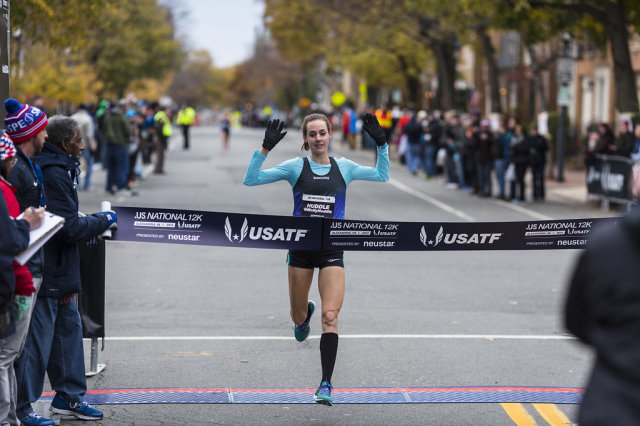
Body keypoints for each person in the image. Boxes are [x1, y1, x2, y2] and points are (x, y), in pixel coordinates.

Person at [243, 113, 390, 406]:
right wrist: (264, 149)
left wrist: (382, 145)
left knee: (331, 316)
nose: (318, 138)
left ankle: (326, 384)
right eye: (312, 134)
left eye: (322, 133)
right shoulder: (296, 167)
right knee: (298, 319)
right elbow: (251, 179)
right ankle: (303, 316)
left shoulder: (344, 167)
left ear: (330, 134)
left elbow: (382, 175)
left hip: (332, 248)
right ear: (306, 139)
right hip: (300, 249)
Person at [15, 116, 117, 425]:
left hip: (61, 269)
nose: (84, 144)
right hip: (48, 270)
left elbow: (65, 218)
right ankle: (21, 409)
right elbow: (67, 227)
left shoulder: (60, 168)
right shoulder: (54, 172)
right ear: (65, 144)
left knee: (68, 335)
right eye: (78, 138)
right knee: (38, 344)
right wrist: (104, 219)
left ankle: (69, 397)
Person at [564, 162, 640, 426]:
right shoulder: (606, 243)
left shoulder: (605, 244)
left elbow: (576, 321)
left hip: (612, 401)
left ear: (634, 183)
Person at [0, 132, 46, 426]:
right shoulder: (4, 191)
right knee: (5, 357)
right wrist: (27, 225)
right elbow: (7, 240)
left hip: (14, 285)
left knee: (7, 357)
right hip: (14, 286)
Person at [98, 100, 132, 195]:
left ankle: (109, 187)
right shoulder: (121, 116)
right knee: (122, 167)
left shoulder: (107, 116)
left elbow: (102, 128)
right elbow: (128, 130)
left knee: (111, 167)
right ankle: (120, 187)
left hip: (109, 144)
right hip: (121, 144)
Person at [71, 104, 96, 191]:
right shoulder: (88, 119)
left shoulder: (72, 118)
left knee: (76, 164)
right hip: (85, 145)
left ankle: (77, 184)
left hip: (74, 145)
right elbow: (89, 135)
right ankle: (87, 184)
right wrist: (92, 146)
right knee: (89, 164)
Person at [509, 124, 529, 202]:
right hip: (515, 161)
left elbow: (523, 149)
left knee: (521, 179)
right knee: (515, 179)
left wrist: (516, 147)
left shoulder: (525, 139)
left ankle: (522, 196)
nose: (518, 132)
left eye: (519, 131)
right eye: (516, 130)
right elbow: (511, 149)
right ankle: (514, 195)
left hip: (523, 162)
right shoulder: (514, 139)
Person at [528, 127, 549, 202]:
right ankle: (534, 194)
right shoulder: (530, 139)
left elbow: (546, 148)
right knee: (534, 178)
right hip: (533, 162)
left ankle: (541, 195)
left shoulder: (542, 138)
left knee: (541, 178)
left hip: (541, 161)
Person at [152, 102, 172, 174]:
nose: (168, 111)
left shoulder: (160, 115)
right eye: (167, 110)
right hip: (160, 137)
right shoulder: (161, 116)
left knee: (160, 154)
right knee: (160, 154)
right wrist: (163, 140)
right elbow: (159, 128)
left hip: (160, 137)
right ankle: (158, 169)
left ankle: (159, 169)